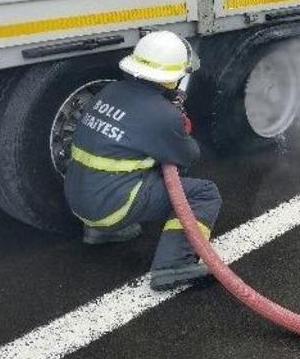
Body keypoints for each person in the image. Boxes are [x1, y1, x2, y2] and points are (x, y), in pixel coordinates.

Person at [64, 30, 222, 292]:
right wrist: (177, 124)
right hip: (111, 207)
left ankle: (101, 232)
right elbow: (187, 157)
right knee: (204, 194)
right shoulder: (162, 115)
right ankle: (173, 266)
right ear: (173, 76)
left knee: (125, 164)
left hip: (78, 201)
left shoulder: (110, 90)